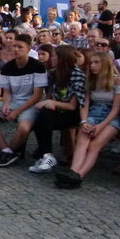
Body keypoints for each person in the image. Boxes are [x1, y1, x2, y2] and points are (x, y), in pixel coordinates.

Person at [55, 51, 120, 189]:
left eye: (96, 62)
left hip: (110, 116)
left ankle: (78, 176)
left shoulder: (118, 81)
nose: (92, 66)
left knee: (94, 146)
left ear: (105, 64)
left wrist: (101, 126)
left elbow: (116, 109)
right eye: (91, 62)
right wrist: (84, 121)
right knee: (82, 140)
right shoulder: (90, 79)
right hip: (93, 113)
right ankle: (73, 172)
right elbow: (85, 104)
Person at [0, 33, 47, 167]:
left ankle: (9, 152)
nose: (16, 49)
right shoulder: (8, 67)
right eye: (14, 46)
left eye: (20, 47)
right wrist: (7, 103)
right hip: (13, 101)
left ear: (28, 49)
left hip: (31, 104)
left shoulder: (37, 66)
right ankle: (6, 150)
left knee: (24, 127)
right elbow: (8, 91)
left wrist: (16, 112)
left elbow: (37, 96)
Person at [28, 45, 85, 173]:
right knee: (39, 117)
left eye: (54, 56)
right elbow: (49, 95)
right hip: (57, 111)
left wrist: (51, 102)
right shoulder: (53, 73)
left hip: (73, 114)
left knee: (45, 115)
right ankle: (47, 155)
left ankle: (47, 156)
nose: (52, 58)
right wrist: (46, 102)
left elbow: (73, 106)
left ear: (63, 58)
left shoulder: (77, 75)